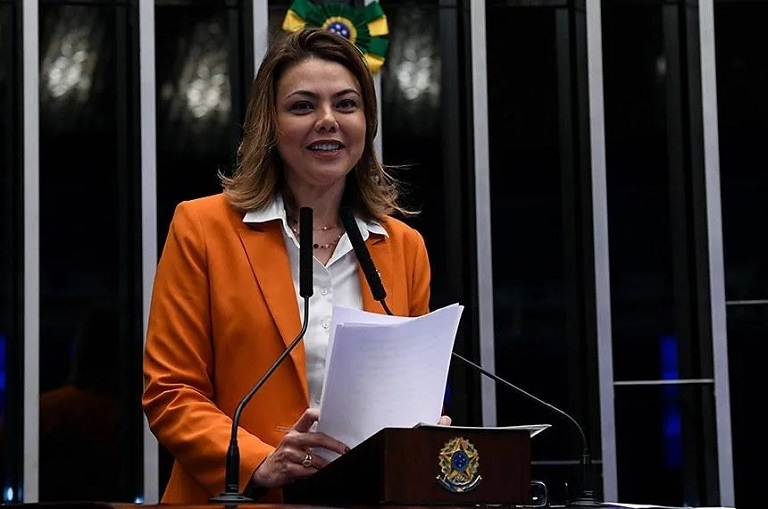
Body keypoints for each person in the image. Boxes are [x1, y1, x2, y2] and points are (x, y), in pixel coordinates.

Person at [141, 27, 449, 505]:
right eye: (303, 106)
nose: (328, 120)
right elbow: (171, 390)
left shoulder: (403, 247)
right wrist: (257, 462)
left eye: (346, 104)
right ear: (270, 124)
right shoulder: (202, 229)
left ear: (367, 122)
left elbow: (410, 391)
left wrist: (425, 427)